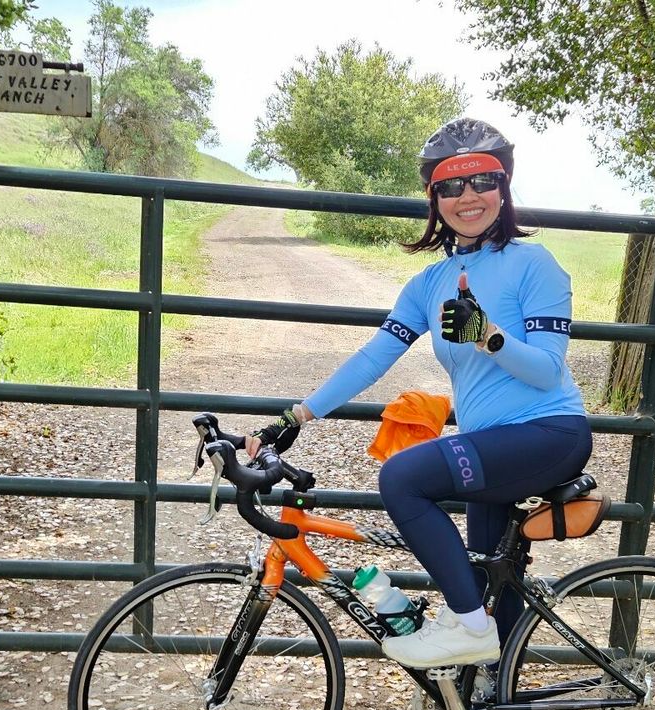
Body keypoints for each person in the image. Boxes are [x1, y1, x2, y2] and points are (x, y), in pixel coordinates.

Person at [246, 117, 593, 673]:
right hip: (489, 445)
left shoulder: (534, 264)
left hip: (547, 434)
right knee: (487, 577)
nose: (468, 196)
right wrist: (298, 415)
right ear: (434, 198)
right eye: (451, 185)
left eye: (483, 180)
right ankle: (493, 702)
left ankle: (469, 630)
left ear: (503, 188)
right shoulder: (430, 283)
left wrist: (488, 336)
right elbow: (374, 357)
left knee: (403, 478)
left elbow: (548, 372)